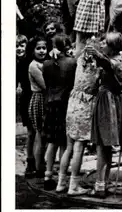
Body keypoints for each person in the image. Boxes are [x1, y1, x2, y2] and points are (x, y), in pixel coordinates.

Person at [56, 37, 101, 195]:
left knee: (69, 146)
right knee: (78, 148)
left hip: (73, 102)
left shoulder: (80, 60)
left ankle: (61, 182)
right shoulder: (97, 66)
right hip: (85, 105)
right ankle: (73, 185)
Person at [85, 32, 122, 198]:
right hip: (110, 101)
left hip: (107, 102)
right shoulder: (117, 59)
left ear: (112, 47)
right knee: (106, 145)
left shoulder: (116, 60)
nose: (101, 45)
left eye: (104, 43)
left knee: (102, 144)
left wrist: (97, 54)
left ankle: (100, 185)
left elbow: (109, 65)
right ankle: (104, 182)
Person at [42, 34, 77, 190]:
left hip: (50, 103)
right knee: (64, 142)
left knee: (51, 142)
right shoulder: (71, 63)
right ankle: (63, 177)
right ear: (67, 46)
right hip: (64, 103)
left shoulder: (47, 64)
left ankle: (48, 175)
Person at [27, 36, 48, 178]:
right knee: (39, 134)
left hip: (45, 98)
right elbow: (45, 85)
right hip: (39, 98)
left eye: (44, 48)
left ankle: (42, 164)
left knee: (44, 135)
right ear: (33, 50)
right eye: (38, 48)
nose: (41, 51)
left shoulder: (44, 63)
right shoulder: (33, 65)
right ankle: (38, 167)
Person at [16, 34, 35, 177]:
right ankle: (30, 161)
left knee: (36, 132)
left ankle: (36, 160)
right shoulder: (18, 63)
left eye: (21, 46)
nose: (19, 49)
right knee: (31, 132)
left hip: (32, 97)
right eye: (16, 46)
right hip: (27, 99)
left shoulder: (29, 61)